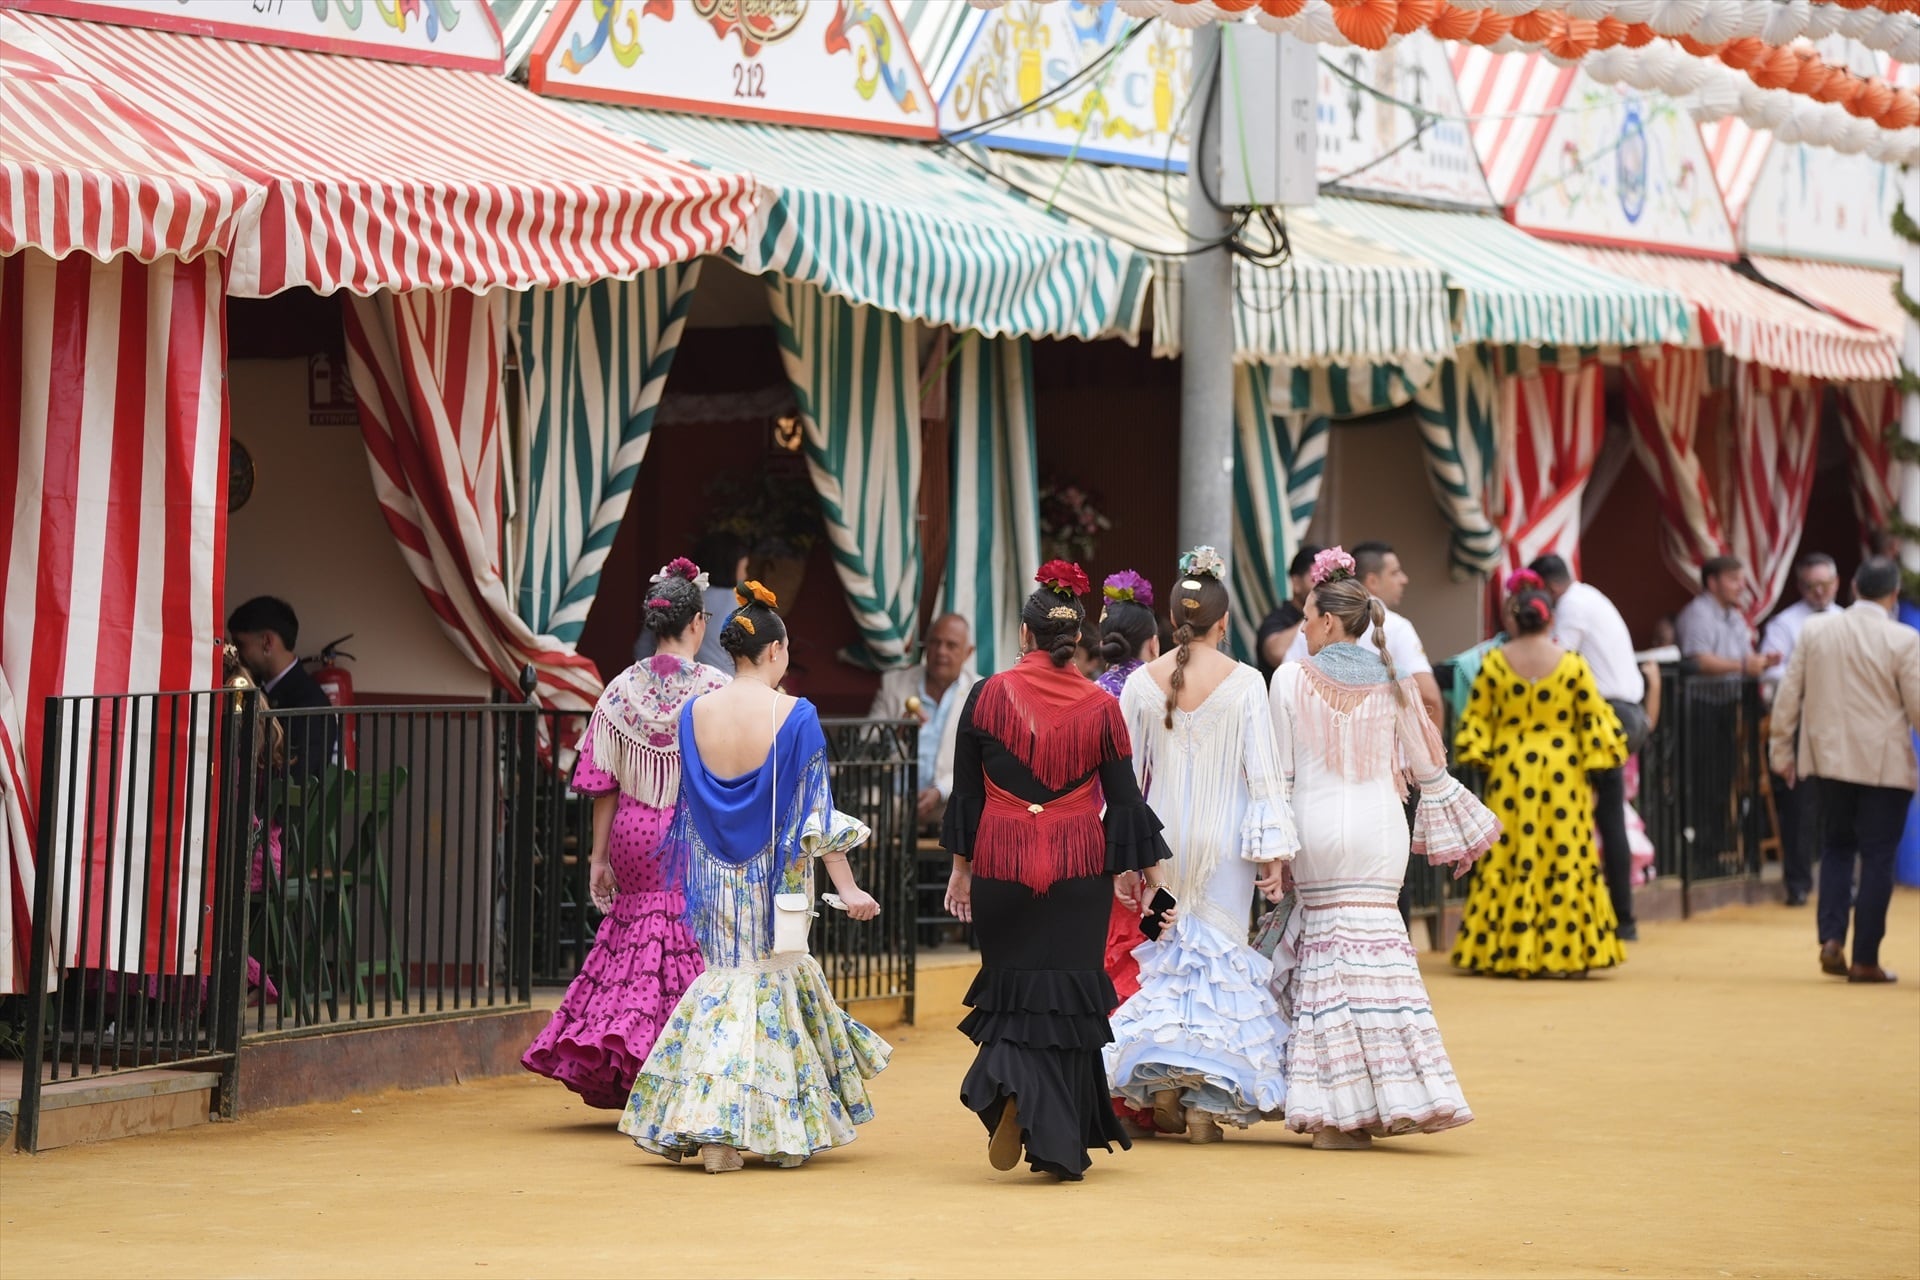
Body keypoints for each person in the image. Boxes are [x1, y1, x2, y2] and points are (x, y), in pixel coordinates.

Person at [619, 582, 890, 1172]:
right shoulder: (796, 714)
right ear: (775, 651)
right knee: (768, 991)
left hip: (713, 869)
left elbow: (687, 801)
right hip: (777, 875)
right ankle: (771, 1129)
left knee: (727, 983)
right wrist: (847, 888)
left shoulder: (694, 713)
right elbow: (813, 816)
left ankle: (711, 1128)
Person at [942, 561, 1173, 1182]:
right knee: (1069, 997)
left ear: (1025, 635)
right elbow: (1124, 801)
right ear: (1078, 642)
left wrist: (961, 871)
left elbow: (967, 795)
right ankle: (1058, 1140)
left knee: (1015, 986)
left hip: (1002, 859)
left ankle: (1013, 1084)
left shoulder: (986, 695)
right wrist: (1146, 875)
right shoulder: (1102, 707)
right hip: (1077, 864)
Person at [1266, 546, 1496, 1148]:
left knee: (1327, 966)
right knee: (1382, 966)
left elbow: (1280, 776)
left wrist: (1273, 847)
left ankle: (1332, 1116)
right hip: (1380, 835)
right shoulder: (1395, 683)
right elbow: (1428, 770)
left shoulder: (1289, 678)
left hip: (1314, 830)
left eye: (1311, 617)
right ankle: (1396, 1098)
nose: (1306, 626)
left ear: (1331, 622)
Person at [522, 559, 731, 1109]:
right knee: (687, 946)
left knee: (633, 944)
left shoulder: (621, 689)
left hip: (632, 832)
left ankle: (625, 1051)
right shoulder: (715, 689)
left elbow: (601, 781)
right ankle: (682, 1060)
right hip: (690, 832)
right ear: (697, 623)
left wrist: (597, 856)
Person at [1106, 548, 1293, 1144]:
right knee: (1217, 964)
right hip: (1225, 842)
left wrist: (1124, 854)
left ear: (1168, 620)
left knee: (1167, 963)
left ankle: (1162, 1087)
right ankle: (1203, 1108)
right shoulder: (1246, 682)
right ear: (1225, 620)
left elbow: (1126, 781)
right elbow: (1262, 775)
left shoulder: (1141, 682)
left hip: (1159, 840)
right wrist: (1273, 853)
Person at [1452, 571, 1628, 978]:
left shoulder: (1495, 663)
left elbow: (1476, 723)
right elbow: (1596, 725)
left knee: (1510, 854)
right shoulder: (1572, 665)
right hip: (1562, 774)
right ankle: (1566, 952)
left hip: (1511, 771)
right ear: (1550, 620)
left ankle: (1505, 949)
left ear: (1515, 619)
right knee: (1566, 852)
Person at [1768, 557, 1920, 985]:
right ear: (1893, 596)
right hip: (1884, 767)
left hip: (1828, 763)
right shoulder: (1904, 639)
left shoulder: (1815, 632)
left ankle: (1831, 938)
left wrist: (1781, 751)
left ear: (1852, 587)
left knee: (1836, 848)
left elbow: (1787, 696)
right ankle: (1865, 959)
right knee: (1877, 859)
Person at [1529, 554, 1647, 940]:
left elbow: (1554, 663)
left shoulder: (1573, 606)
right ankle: (1620, 918)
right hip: (1624, 713)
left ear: (1549, 589)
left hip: (1607, 715)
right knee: (1609, 816)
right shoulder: (1590, 597)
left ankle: (1589, 916)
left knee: (1587, 814)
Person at [1090, 569, 1161, 1138]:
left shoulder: (1092, 694)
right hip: (1149, 836)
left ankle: (1107, 1087)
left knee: (1106, 961)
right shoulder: (1161, 690)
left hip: (1094, 837)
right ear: (1153, 642)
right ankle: (1145, 1090)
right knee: (1145, 963)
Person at [1759, 553, 1843, 906]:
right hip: (1804, 726)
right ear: (1800, 586)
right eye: (1811, 586)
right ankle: (1798, 883)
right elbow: (1771, 675)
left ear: (1837, 584)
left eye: (1825, 585)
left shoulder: (1847, 620)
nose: (1819, 592)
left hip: (1841, 727)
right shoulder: (1785, 624)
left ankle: (1839, 884)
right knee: (1801, 806)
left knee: (1841, 807)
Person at [1285, 541, 1442, 729]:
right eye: (1394, 573)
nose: (1404, 579)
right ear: (1372, 581)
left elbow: (1287, 693)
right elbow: (1429, 697)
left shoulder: (1313, 623)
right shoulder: (1398, 627)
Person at [1674, 556, 1769, 864]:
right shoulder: (1698, 614)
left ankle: (1718, 850)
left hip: (1728, 706)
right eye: (1733, 579)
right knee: (1703, 782)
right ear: (1712, 582)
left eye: (1741, 579)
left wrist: (1762, 662)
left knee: (1723, 781)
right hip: (1700, 707)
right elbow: (1697, 660)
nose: (1740, 586)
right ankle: (1701, 855)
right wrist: (1743, 666)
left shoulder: (1735, 616)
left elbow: (1745, 655)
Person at [869, 613, 978, 829]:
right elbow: (864, 746)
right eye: (935, 643)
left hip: (950, 801)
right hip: (894, 799)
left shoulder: (981, 692)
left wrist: (940, 791)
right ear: (925, 645)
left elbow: (981, 760)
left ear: (968, 653)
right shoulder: (894, 684)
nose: (941, 652)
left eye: (951, 645)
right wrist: (894, 735)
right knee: (864, 813)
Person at [227, 595, 337, 779]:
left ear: (267, 642)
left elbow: (295, 776)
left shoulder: (308, 703)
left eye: (240, 644)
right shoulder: (265, 688)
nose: (236, 655)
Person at [635, 531, 749, 671]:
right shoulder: (740, 602)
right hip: (727, 686)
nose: (745, 575)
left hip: (664, 680)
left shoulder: (673, 595)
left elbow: (642, 649)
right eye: (744, 568)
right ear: (697, 622)